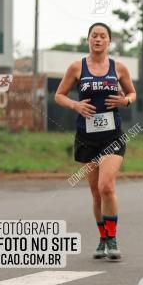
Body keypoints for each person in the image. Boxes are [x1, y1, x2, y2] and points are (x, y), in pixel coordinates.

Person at [54, 22, 137, 261]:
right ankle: (102, 240)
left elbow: (132, 93)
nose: (98, 39)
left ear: (109, 42)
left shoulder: (118, 68)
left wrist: (125, 102)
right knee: (95, 193)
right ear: (88, 40)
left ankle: (112, 239)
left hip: (112, 136)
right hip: (86, 137)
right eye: (94, 36)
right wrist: (75, 105)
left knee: (106, 186)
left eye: (102, 36)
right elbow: (58, 95)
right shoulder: (76, 67)